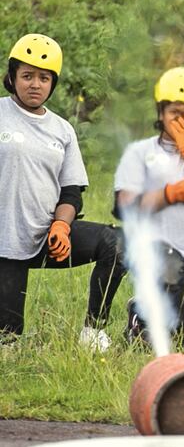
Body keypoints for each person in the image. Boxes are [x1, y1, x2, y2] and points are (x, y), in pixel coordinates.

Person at [0, 34, 125, 350]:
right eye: (27, 75)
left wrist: (61, 226)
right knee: (8, 340)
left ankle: (93, 330)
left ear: (53, 83)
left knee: (118, 243)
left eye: (44, 78)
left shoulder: (62, 130)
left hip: (45, 235)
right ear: (12, 76)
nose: (35, 84)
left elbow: (71, 192)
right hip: (4, 243)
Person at [115, 67, 184, 345]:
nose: (183, 119)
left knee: (174, 335)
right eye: (175, 112)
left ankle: (139, 314)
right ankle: (143, 314)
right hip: (153, 249)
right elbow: (122, 206)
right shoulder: (141, 152)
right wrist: (172, 193)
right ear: (161, 112)